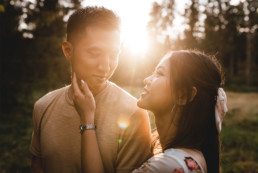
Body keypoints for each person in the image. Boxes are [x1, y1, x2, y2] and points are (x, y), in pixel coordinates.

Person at [29, 7, 152, 173]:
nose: (106, 66)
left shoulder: (134, 113)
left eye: (114, 54)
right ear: (68, 51)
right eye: (95, 53)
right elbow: (37, 167)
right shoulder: (43, 106)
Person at [73, 50, 228, 173]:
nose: (147, 79)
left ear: (183, 95)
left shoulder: (169, 165)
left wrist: (87, 118)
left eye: (159, 73)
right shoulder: (190, 158)